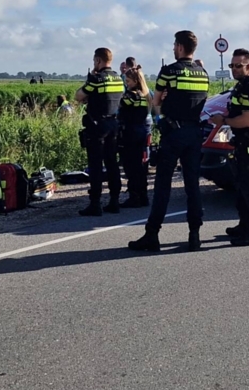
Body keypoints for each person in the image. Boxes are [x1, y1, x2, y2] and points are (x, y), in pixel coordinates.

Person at [129, 31, 209, 252]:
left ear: (181, 47)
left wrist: (165, 100)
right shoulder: (203, 74)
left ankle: (152, 234)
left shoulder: (169, 71)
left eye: (175, 45)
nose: (174, 48)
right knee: (192, 185)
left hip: (173, 134)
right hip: (194, 134)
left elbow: (155, 103)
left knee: (163, 185)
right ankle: (194, 235)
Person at [208, 49, 249, 246]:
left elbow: (248, 120)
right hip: (241, 143)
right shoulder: (241, 87)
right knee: (242, 187)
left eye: (238, 66)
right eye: (232, 66)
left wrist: (223, 120)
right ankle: (244, 225)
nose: (234, 69)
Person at [75, 48, 123, 216]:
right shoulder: (118, 78)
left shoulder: (96, 79)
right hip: (113, 124)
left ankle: (95, 204)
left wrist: (90, 81)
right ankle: (114, 201)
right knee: (112, 163)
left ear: (98, 60)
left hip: (97, 125)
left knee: (95, 165)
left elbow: (79, 96)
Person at [118, 67, 151, 208]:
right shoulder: (146, 95)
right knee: (141, 166)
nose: (126, 83)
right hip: (142, 132)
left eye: (128, 81)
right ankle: (143, 195)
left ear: (136, 81)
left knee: (130, 166)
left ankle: (134, 196)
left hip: (130, 133)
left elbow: (118, 106)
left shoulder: (130, 96)